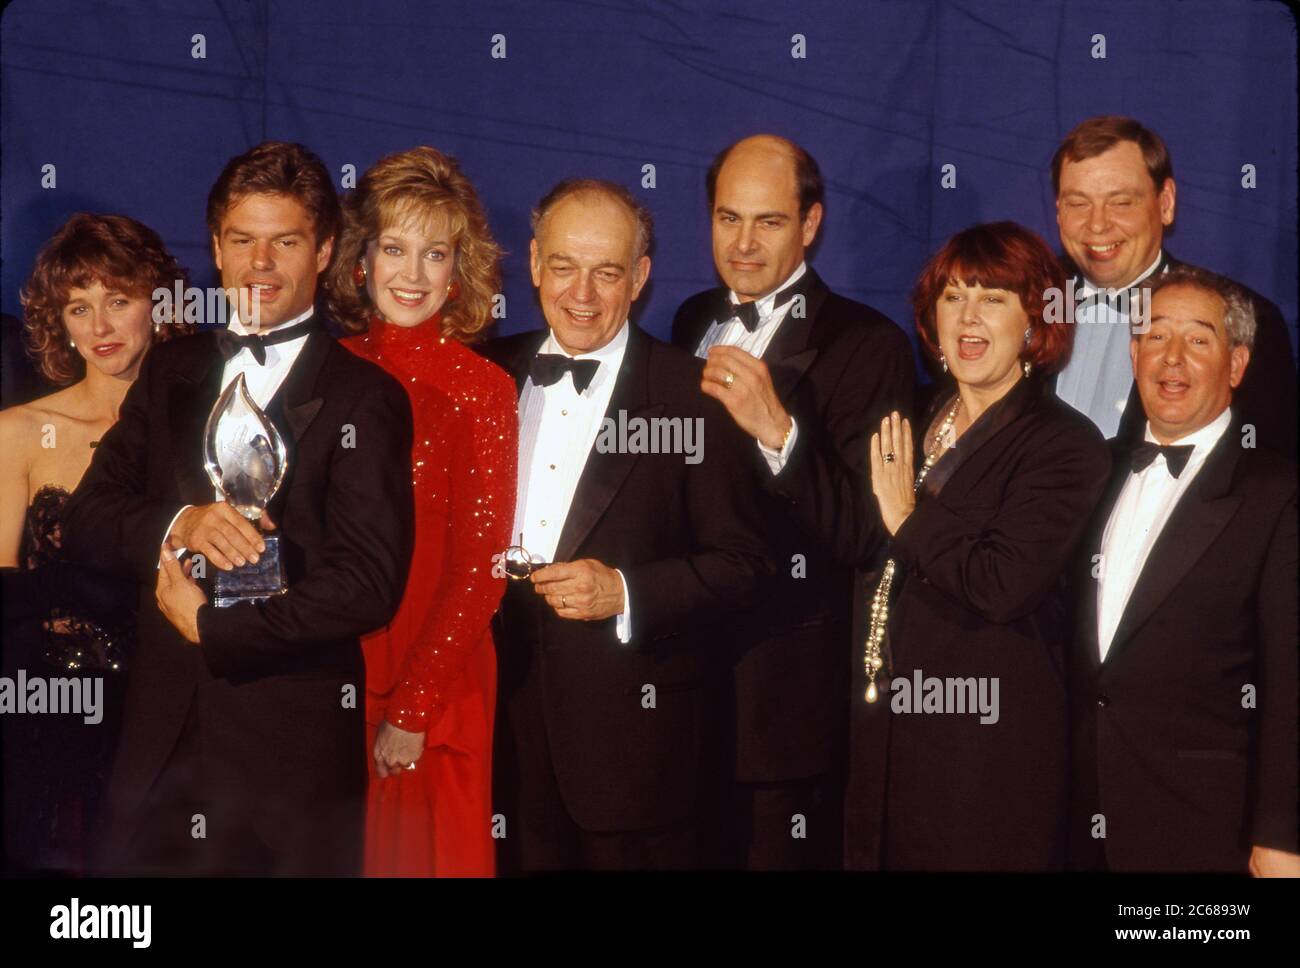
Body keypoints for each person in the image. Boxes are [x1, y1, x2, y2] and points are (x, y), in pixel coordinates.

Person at [61, 142, 416, 875]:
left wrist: (217, 629)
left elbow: (368, 584)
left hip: (288, 754)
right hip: (157, 738)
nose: (260, 264)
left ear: (322, 252)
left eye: (284, 242)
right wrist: (179, 521)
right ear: (217, 249)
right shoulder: (172, 369)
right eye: (243, 241)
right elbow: (89, 517)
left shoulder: (367, 398)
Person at [480, 179, 771, 871]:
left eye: (606, 271)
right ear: (533, 263)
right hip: (498, 735)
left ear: (639, 278)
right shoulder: (486, 376)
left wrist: (625, 592)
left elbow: (743, 564)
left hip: (638, 749)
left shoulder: (689, 396)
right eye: (564, 266)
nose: (582, 293)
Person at [670, 135, 914, 869]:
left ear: (811, 224)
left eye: (768, 222)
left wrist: (779, 430)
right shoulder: (689, 320)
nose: (742, 244)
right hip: (681, 688)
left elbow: (870, 537)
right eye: (727, 218)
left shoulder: (869, 346)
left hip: (783, 705)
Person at [846, 222, 1110, 871]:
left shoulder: (1065, 445)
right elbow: (850, 540)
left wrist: (907, 515)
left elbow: (1001, 582)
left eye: (992, 297)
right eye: (953, 296)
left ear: (1035, 320)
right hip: (885, 748)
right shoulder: (908, 417)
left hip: (986, 762)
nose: (968, 316)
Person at [322, 146, 517, 877]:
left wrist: (413, 706)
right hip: (334, 659)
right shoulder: (324, 367)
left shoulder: (484, 389)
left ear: (458, 269)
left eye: (434, 254)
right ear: (359, 260)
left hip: (441, 675)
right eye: (394, 249)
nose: (411, 274)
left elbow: (482, 567)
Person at [1067, 266, 1298, 874]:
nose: (1172, 359)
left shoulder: (1277, 493)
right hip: (1077, 825)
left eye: (1198, 340)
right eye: (1156, 337)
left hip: (1206, 832)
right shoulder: (1091, 470)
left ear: (1238, 364)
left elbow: (1291, 681)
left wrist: (1282, 837)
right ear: (1133, 351)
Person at [0, 213, 192, 872]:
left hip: (178, 711)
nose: (100, 327)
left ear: (159, 303)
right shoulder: (19, 431)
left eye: (118, 300)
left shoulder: (201, 427)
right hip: (51, 718)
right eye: (79, 307)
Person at [1050, 115, 1296, 453]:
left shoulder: (1249, 319)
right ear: (1059, 211)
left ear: (1165, 204)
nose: (1097, 225)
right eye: (1078, 203)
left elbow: (1267, 476)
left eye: (1121, 202)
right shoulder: (1018, 298)